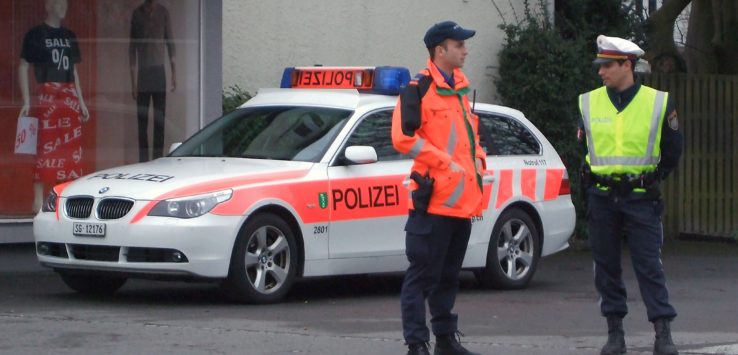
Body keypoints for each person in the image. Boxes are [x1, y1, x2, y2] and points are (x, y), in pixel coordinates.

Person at [577, 35, 683, 355]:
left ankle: (662, 333)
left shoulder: (658, 102)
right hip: (602, 197)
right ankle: (615, 333)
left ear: (628, 65)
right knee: (606, 267)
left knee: (649, 266)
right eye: (600, 65)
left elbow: (673, 150)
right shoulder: (588, 101)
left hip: (641, 196)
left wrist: (652, 178)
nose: (601, 72)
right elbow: (584, 147)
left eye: (608, 65)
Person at [391, 21, 486, 355]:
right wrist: (444, 161)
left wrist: (478, 161)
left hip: (460, 204)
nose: (465, 50)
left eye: (463, 44)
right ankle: (417, 344)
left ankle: (445, 340)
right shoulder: (418, 89)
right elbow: (403, 138)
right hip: (431, 202)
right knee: (421, 278)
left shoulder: (460, 90)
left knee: (448, 278)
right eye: (458, 44)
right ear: (439, 50)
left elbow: (473, 138)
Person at [18, 0, 90, 212]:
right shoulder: (36, 35)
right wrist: (26, 100)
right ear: (48, 5)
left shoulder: (70, 36)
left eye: (64, 2)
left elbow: (74, 72)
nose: (63, 6)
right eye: (58, 2)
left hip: (68, 96)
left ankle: (64, 196)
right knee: (45, 147)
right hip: (47, 95)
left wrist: (81, 101)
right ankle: (38, 198)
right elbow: (23, 66)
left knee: (69, 149)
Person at [129, 0, 176, 162]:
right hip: (143, 72)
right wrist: (133, 82)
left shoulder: (163, 13)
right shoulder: (137, 14)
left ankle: (157, 159)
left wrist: (173, 73)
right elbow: (132, 48)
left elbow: (170, 43)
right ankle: (143, 160)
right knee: (142, 120)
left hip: (158, 71)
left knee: (159, 119)